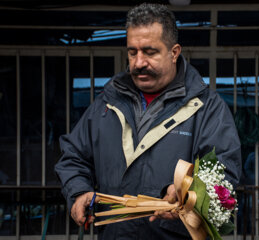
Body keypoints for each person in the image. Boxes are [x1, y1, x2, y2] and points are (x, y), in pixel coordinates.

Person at [55, 3, 241, 239]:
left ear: (174, 52)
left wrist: (189, 192)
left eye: (150, 52)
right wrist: (79, 191)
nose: (139, 62)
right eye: (133, 52)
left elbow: (223, 174)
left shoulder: (205, 108)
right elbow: (73, 157)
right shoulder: (106, 104)